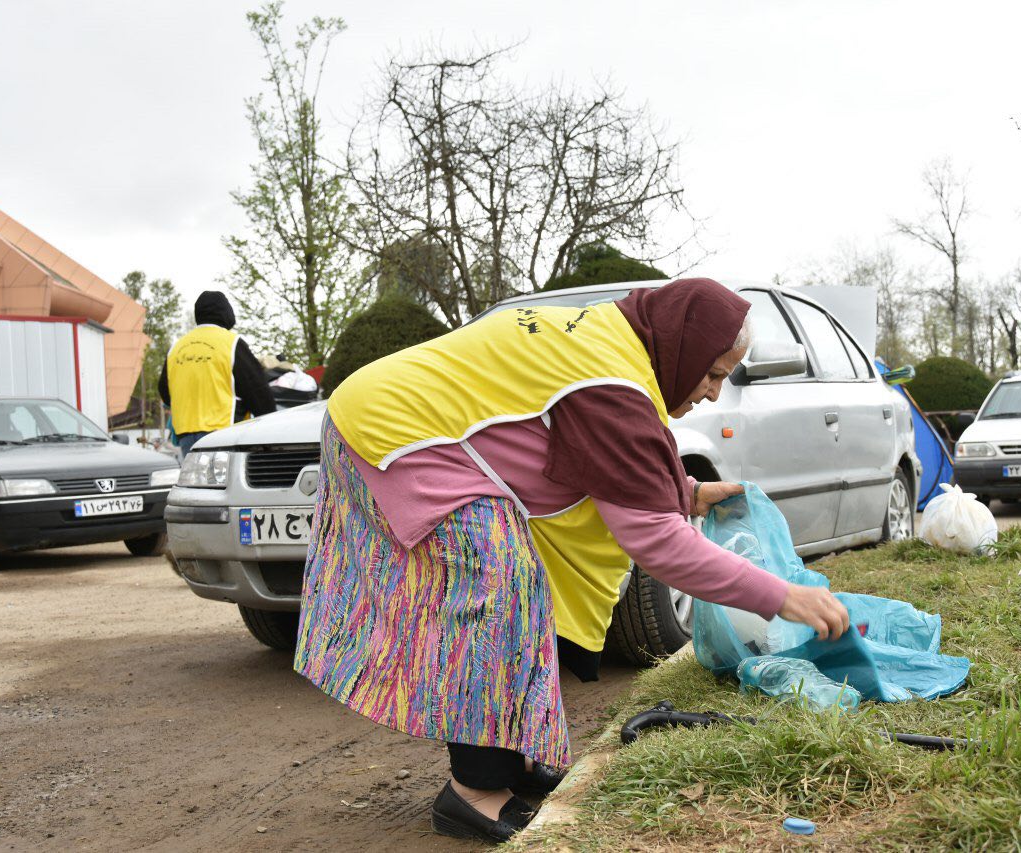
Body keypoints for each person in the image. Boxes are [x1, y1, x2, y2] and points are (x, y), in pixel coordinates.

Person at [294, 278, 850, 843]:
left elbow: (599, 458)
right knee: (498, 587)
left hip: (403, 418)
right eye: (712, 373)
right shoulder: (612, 381)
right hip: (394, 430)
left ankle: (513, 757)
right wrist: (783, 596)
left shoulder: (617, 347)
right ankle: (474, 793)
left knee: (522, 587)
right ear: (680, 347)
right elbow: (657, 542)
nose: (711, 393)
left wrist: (684, 492)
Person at [158, 291, 276, 455]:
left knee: (196, 481)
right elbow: (258, 391)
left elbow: (165, 392)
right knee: (224, 481)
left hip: (186, 436)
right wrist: (271, 426)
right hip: (224, 434)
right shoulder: (231, 343)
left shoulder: (176, 348)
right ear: (227, 314)